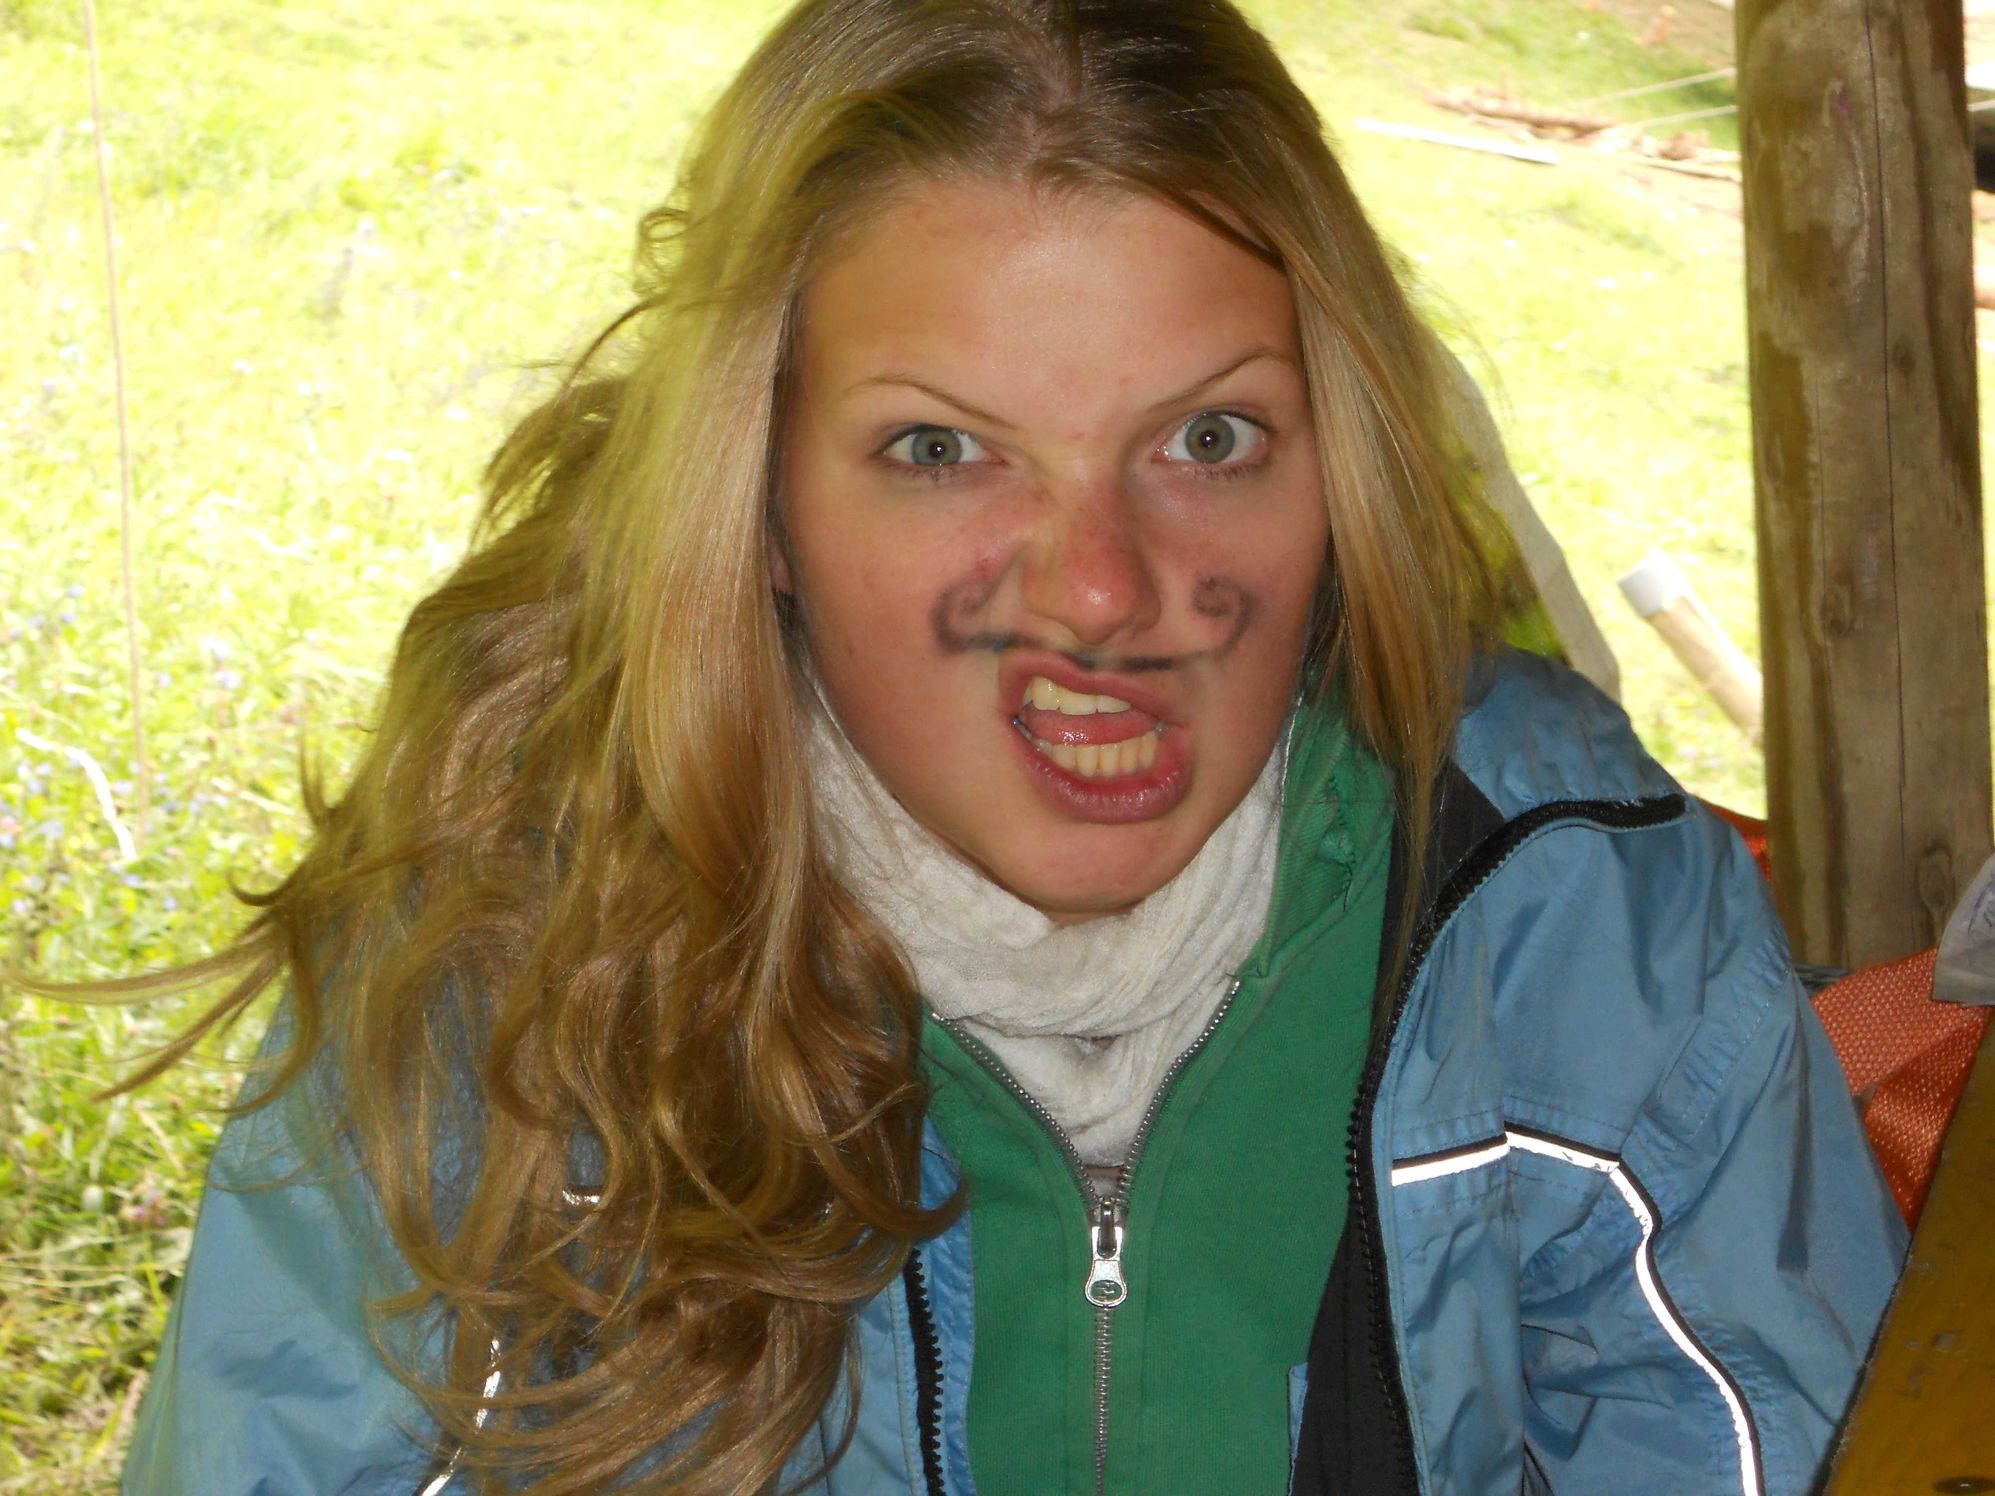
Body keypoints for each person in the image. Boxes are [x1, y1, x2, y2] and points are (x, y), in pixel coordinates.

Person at [118, 0, 1907, 1491]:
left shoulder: (1580, 915)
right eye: (941, 450)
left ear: (1342, 460)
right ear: (755, 497)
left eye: (1208, 439)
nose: (1104, 593)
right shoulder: (501, 953)